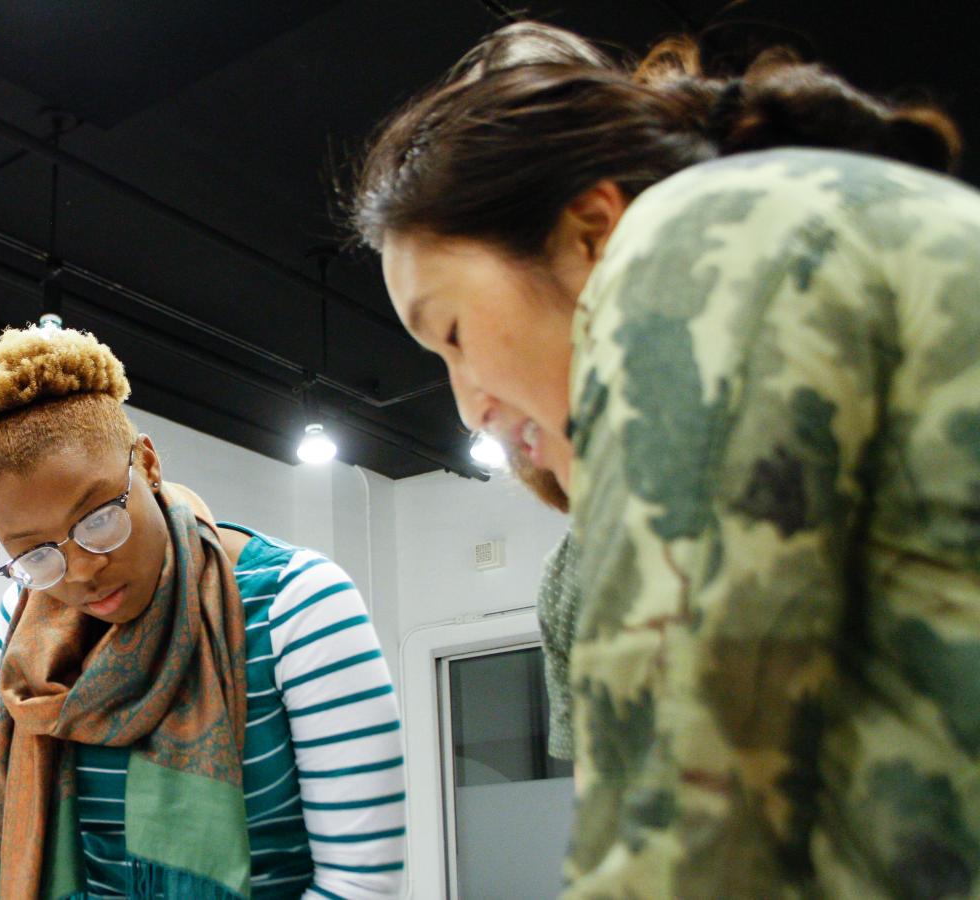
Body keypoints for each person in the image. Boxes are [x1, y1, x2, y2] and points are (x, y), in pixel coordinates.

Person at [353, 20, 979, 897]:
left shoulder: (696, 237)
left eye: (452, 332)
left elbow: (694, 824)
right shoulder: (796, 226)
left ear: (592, 231)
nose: (467, 403)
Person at [0, 327, 406, 899]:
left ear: (147, 464)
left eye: (99, 519)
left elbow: (360, 884)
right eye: (36, 553)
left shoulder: (296, 604)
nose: (79, 571)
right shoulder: (23, 623)